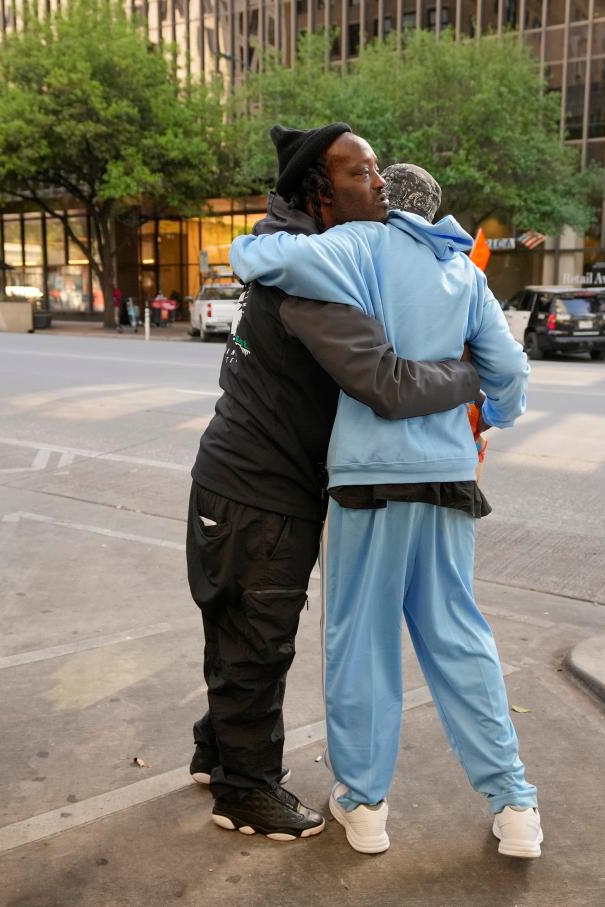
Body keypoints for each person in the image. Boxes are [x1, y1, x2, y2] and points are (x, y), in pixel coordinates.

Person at [229, 155, 541, 858]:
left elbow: (255, 256)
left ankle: (364, 804)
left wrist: (264, 239)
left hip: (368, 483)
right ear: (431, 210)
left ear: (382, 202)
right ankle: (514, 803)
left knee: (360, 640)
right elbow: (510, 371)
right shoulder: (464, 272)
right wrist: (491, 412)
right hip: (449, 481)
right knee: (460, 637)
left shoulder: (358, 244)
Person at [188, 123, 484, 842]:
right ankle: (245, 788)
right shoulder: (310, 279)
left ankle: (215, 750)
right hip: (258, 490)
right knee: (258, 639)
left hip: (250, 484)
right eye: (361, 173)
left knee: (239, 630)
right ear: (318, 191)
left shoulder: (307, 254)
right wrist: (475, 373)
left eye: (377, 169)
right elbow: (384, 382)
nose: (379, 183)